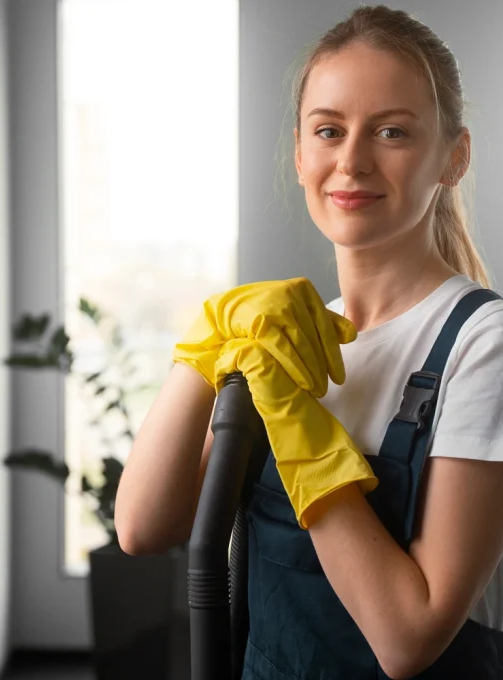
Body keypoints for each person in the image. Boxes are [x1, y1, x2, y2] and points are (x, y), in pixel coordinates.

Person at [114, 5, 503, 678]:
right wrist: (208, 338)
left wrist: (305, 440)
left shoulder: (481, 345)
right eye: (328, 130)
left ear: (454, 156)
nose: (351, 161)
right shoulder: (283, 339)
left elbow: (408, 639)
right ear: (299, 154)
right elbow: (145, 526)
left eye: (391, 132)